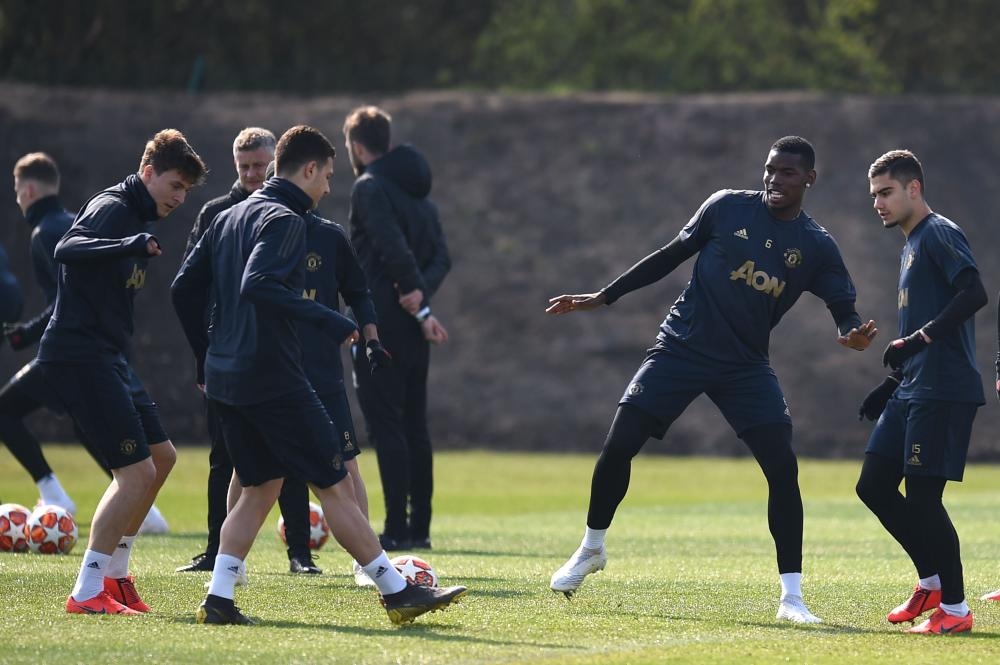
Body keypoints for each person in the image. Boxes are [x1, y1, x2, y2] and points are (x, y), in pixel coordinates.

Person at [546, 136, 878, 623]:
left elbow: (844, 310)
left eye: (788, 172)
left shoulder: (816, 246)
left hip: (745, 366)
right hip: (680, 347)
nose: (775, 179)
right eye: (770, 169)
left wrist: (852, 335)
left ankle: (792, 598)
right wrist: (605, 295)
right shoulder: (725, 208)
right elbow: (669, 255)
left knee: (782, 469)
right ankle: (592, 548)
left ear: (809, 178)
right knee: (619, 445)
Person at [171, 125, 466, 626]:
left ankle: (218, 598)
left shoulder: (227, 217)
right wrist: (329, 319)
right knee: (334, 485)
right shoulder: (286, 219)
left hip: (227, 379)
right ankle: (397, 591)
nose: (329, 187)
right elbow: (259, 284)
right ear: (308, 170)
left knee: (260, 487)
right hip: (274, 377)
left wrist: (207, 355)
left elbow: (182, 290)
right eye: (327, 176)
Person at [34, 130, 206, 616]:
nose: (179, 197)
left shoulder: (139, 214)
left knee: (162, 457)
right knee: (134, 475)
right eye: (174, 184)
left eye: (186, 191)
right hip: (78, 355)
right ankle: (86, 591)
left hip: (108, 357)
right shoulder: (113, 207)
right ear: (147, 173)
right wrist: (128, 241)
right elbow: (66, 248)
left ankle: (116, 575)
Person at [175, 128, 323, 576]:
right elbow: (190, 284)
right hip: (228, 355)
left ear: (274, 163)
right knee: (224, 457)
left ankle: (300, 552)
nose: (254, 175)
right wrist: (205, 350)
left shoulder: (292, 211)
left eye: (260, 166)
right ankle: (215, 553)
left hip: (278, 352)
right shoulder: (218, 213)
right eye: (245, 168)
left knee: (290, 457)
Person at [1, 153, 170, 533]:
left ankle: (55, 493)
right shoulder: (71, 219)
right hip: (99, 348)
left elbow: (64, 301)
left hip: (74, 351)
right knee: (88, 425)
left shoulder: (47, 232)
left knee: (4, 411)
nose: (17, 198)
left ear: (26, 190)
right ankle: (145, 513)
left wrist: (23, 334)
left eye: (16, 191)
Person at [855, 150, 985, 635]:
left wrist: (920, 337)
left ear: (914, 189)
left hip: (944, 388)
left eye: (886, 192)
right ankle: (930, 582)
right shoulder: (909, 247)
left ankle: (954, 609)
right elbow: (916, 332)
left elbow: (974, 292)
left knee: (924, 498)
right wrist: (889, 384)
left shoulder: (940, 233)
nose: (878, 203)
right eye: (874, 195)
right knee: (873, 485)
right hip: (912, 387)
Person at [343, 106, 451, 551]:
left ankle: (397, 528)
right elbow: (443, 257)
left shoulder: (369, 188)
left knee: (386, 426)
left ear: (356, 145)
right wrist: (422, 299)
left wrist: (412, 294)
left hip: (378, 326)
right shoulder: (422, 197)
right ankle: (420, 527)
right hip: (412, 326)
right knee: (414, 426)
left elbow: (391, 247)